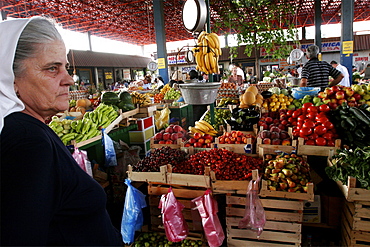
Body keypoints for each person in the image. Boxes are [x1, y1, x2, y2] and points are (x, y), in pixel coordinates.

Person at [0, 17, 122, 246]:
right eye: (52, 69)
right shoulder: (27, 143)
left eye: (65, 67)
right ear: (10, 80)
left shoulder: (26, 131)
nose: (69, 79)